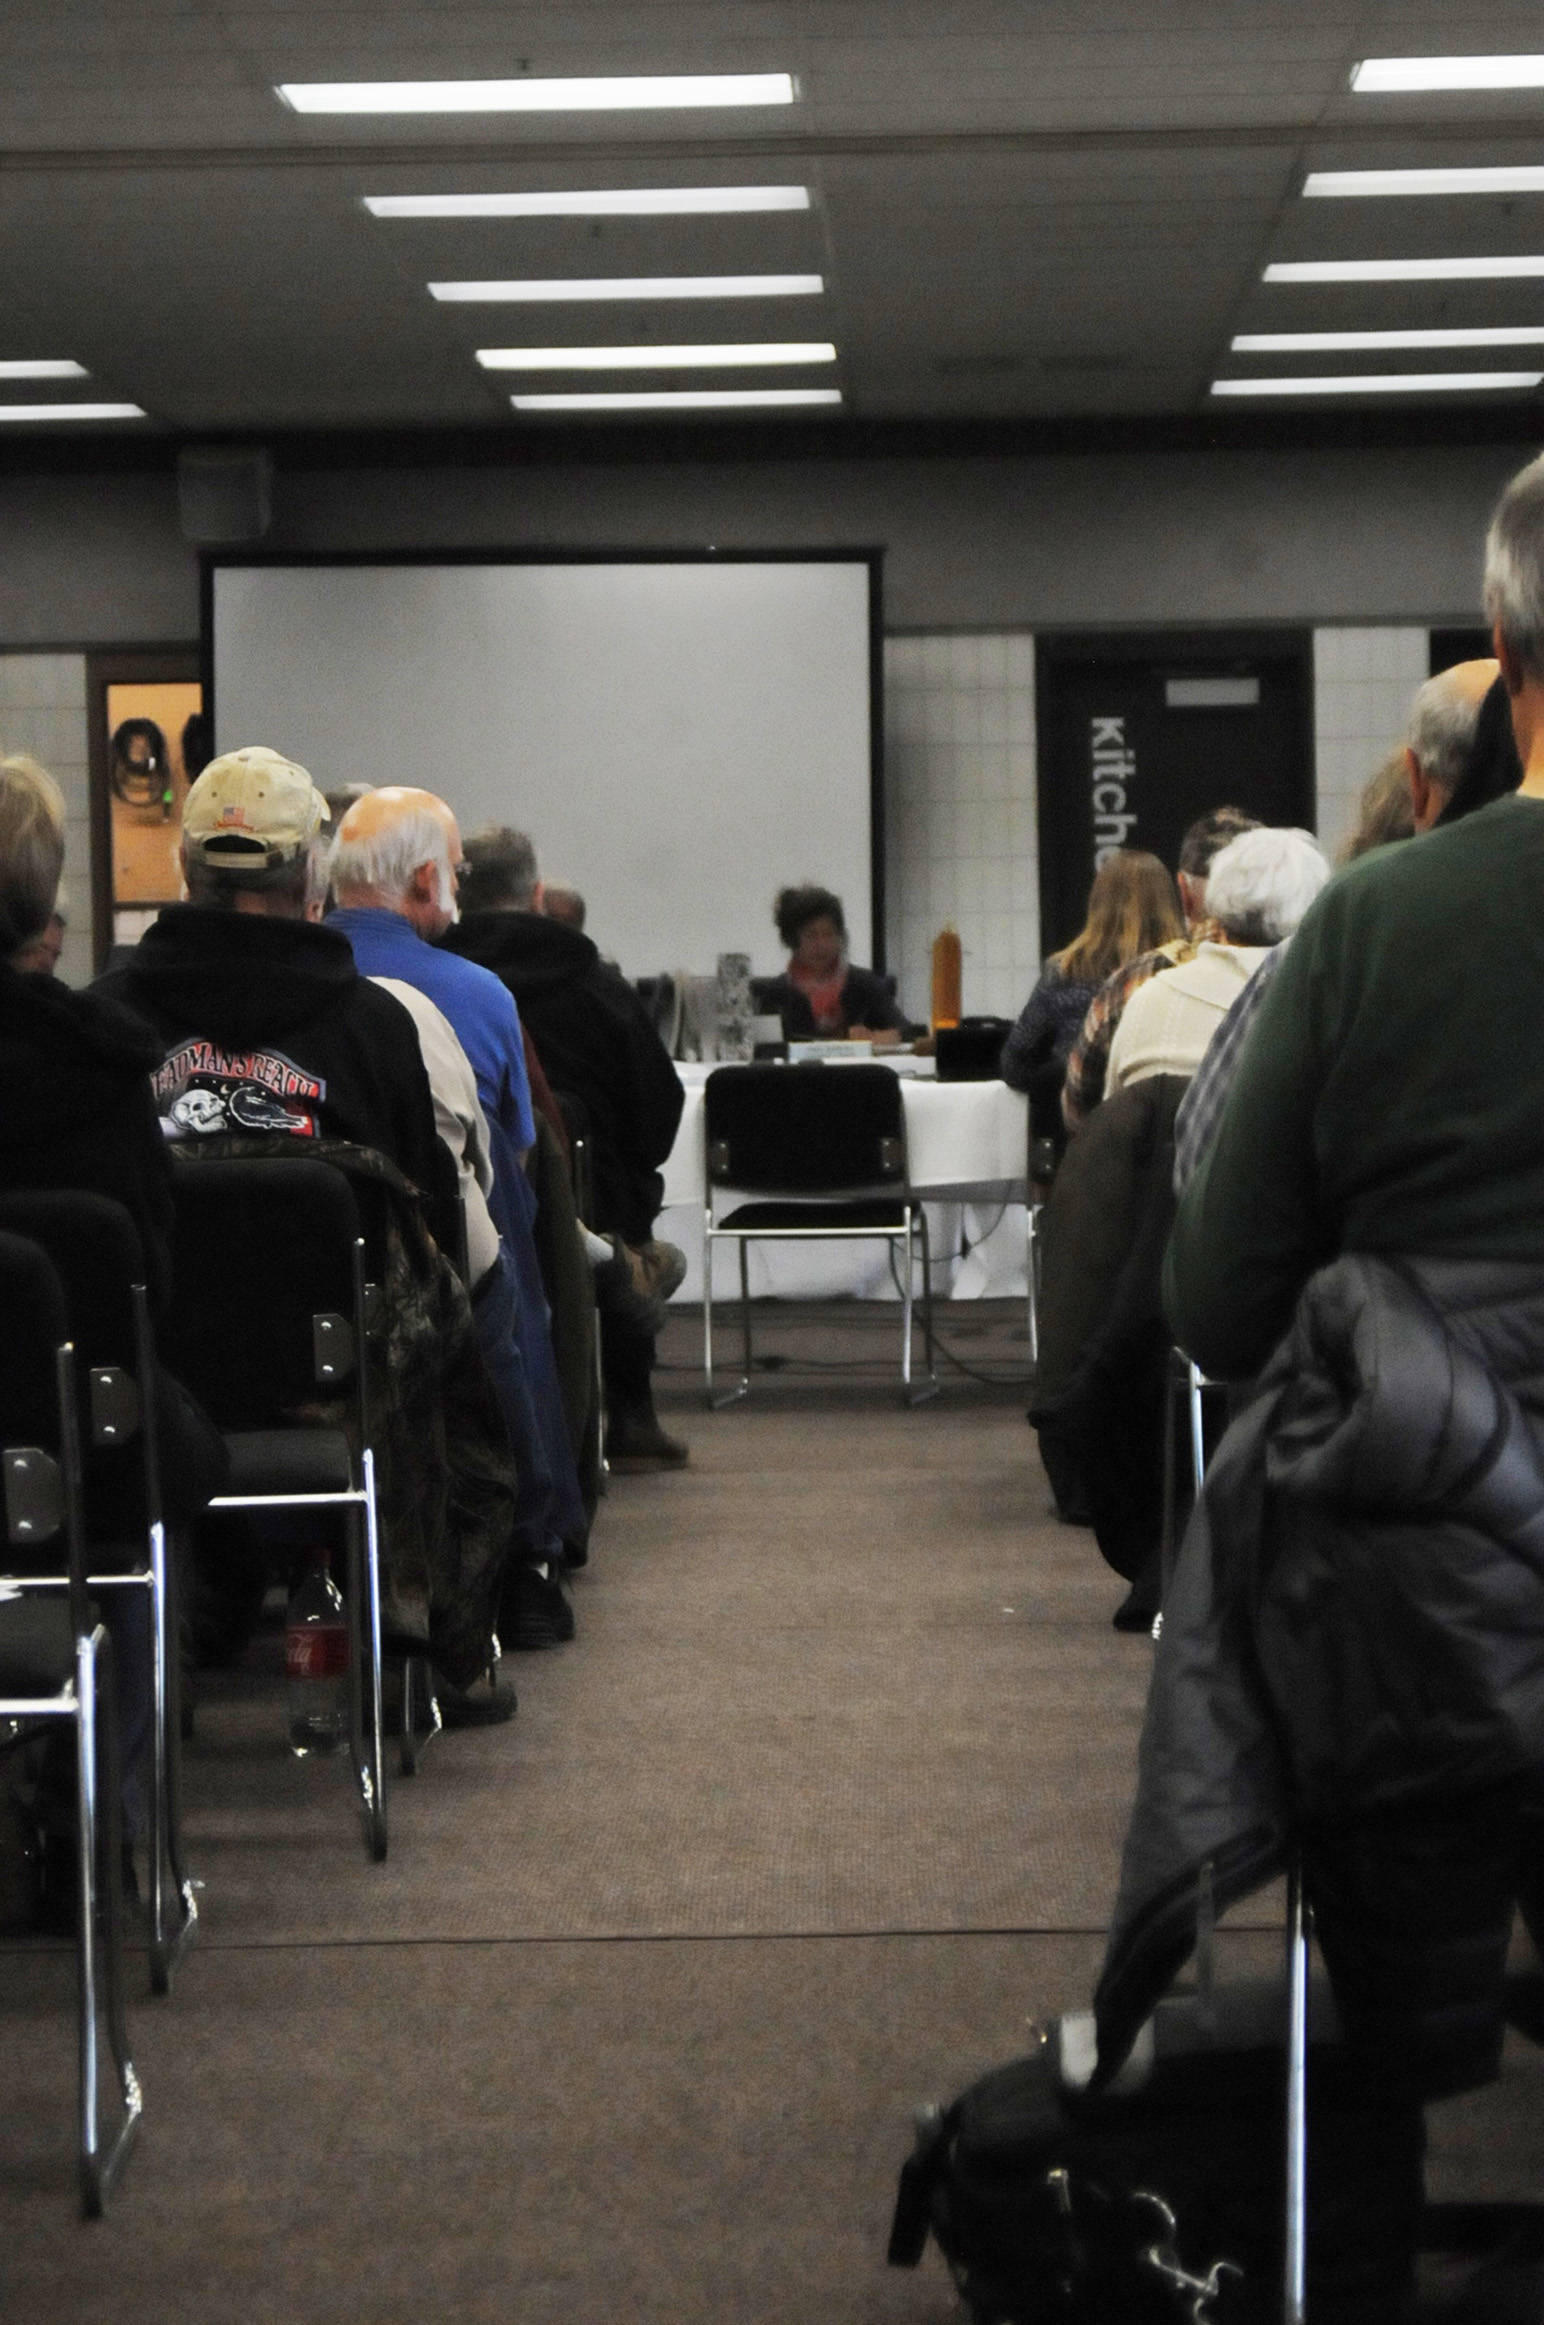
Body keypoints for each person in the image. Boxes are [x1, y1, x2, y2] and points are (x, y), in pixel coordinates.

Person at [1095, 449, 1544, 2321]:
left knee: (1377, 1764)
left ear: (1503, 656)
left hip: (1425, 1626)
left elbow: (1210, 1301)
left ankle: (1377, 2190)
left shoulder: (1370, 927)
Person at [97, 746, 510, 1704]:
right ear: (313, 878)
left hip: (149, 1384)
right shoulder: (373, 1027)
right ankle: (432, 1627)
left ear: (186, 874)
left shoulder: (105, 1026)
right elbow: (433, 1235)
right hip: (337, 1383)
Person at [328, 787, 587, 1626]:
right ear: (426, 880)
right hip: (438, 1283)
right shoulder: (476, 995)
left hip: (310, 1294)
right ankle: (538, 1542)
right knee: (516, 1221)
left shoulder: (301, 980)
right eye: (457, 878)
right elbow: (511, 1147)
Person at [445, 825, 690, 1471]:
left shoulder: (441, 974)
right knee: (626, 1197)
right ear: (536, 892)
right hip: (593, 1195)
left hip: (466, 1198)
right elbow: (657, 1103)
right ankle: (633, 1414)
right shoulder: (592, 979)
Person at [1060, 807, 1257, 1128]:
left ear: (1183, 890)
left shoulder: (1134, 984)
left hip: (1149, 1169)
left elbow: (1077, 1108)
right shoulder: (1302, 980)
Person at [1104, 826, 1327, 1095]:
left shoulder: (1147, 998)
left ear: (1216, 908)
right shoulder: (1334, 1009)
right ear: (1317, 909)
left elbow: (1107, 1111)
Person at [1001, 849, 1183, 1099]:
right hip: (1166, 1119)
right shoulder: (1183, 970)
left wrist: (1067, 1067)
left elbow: (1014, 1066)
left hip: (1083, 1124)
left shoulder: (1065, 970)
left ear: (1097, 902)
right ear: (1168, 903)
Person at [756, 883, 906, 1042]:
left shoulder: (864, 984)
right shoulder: (777, 992)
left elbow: (909, 1032)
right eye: (811, 936)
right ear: (792, 940)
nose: (822, 945)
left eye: (829, 934)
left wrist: (882, 1036)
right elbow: (765, 1047)